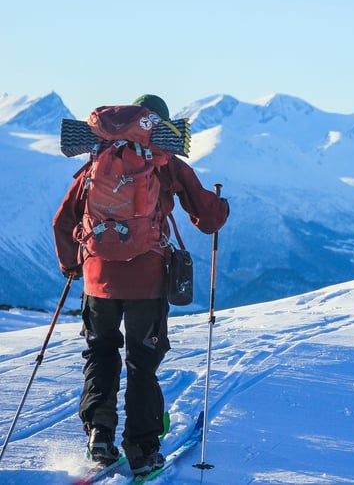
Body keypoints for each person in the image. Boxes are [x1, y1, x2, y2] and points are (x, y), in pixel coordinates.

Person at [52, 94, 229, 476]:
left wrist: (73, 266)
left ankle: (100, 435)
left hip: (98, 279)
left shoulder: (99, 161)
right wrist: (220, 205)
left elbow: (62, 221)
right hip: (148, 281)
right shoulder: (168, 164)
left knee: (101, 355)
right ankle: (143, 451)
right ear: (161, 128)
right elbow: (207, 219)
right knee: (142, 364)